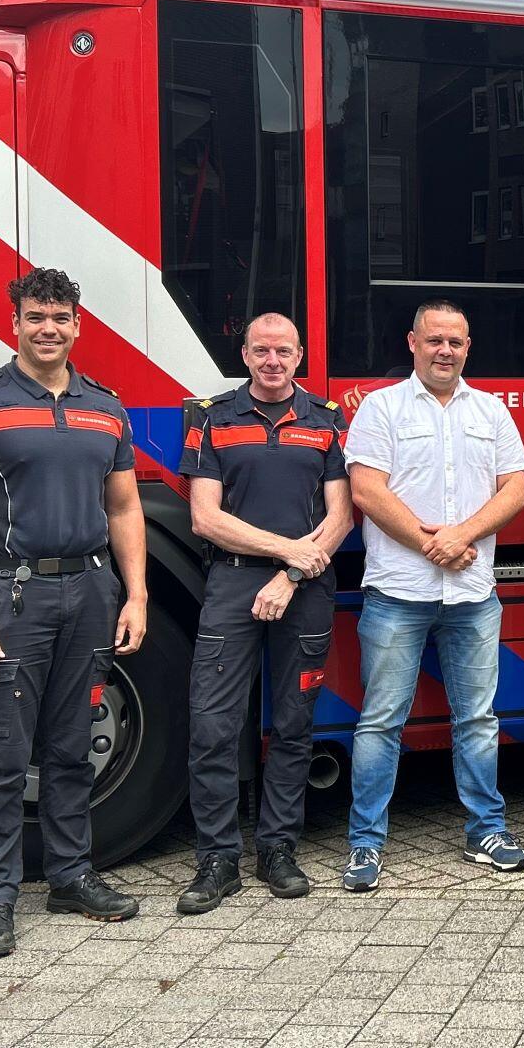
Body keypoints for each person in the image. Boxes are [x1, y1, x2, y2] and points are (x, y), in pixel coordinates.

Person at [0, 268, 148, 959]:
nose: (48, 327)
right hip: (11, 598)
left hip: (90, 592)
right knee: (2, 756)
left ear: (78, 326)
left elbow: (124, 508)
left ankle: (71, 876)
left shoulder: (105, 407)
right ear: (13, 325)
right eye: (35, 316)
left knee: (69, 748)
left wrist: (136, 593)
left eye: (60, 316)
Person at [343, 300, 524, 892]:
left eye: (455, 341)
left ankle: (486, 830)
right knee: (380, 722)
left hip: (473, 593)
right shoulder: (381, 408)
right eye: (434, 340)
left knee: (477, 719)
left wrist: (461, 537)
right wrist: (433, 546)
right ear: (412, 342)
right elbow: (367, 491)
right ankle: (365, 844)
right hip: (398, 592)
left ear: (468, 347)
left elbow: (517, 490)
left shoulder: (491, 412)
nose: (444, 350)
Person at [175, 314, 354, 914]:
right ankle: (218, 859)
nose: (272, 360)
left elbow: (341, 518)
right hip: (232, 585)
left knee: (294, 725)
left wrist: (292, 574)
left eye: (283, 350)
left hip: (304, 588)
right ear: (244, 354)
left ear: (299, 354)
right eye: (261, 350)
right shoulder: (211, 419)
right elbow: (205, 517)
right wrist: (285, 552)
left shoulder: (326, 421)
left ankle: (278, 848)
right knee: (214, 726)